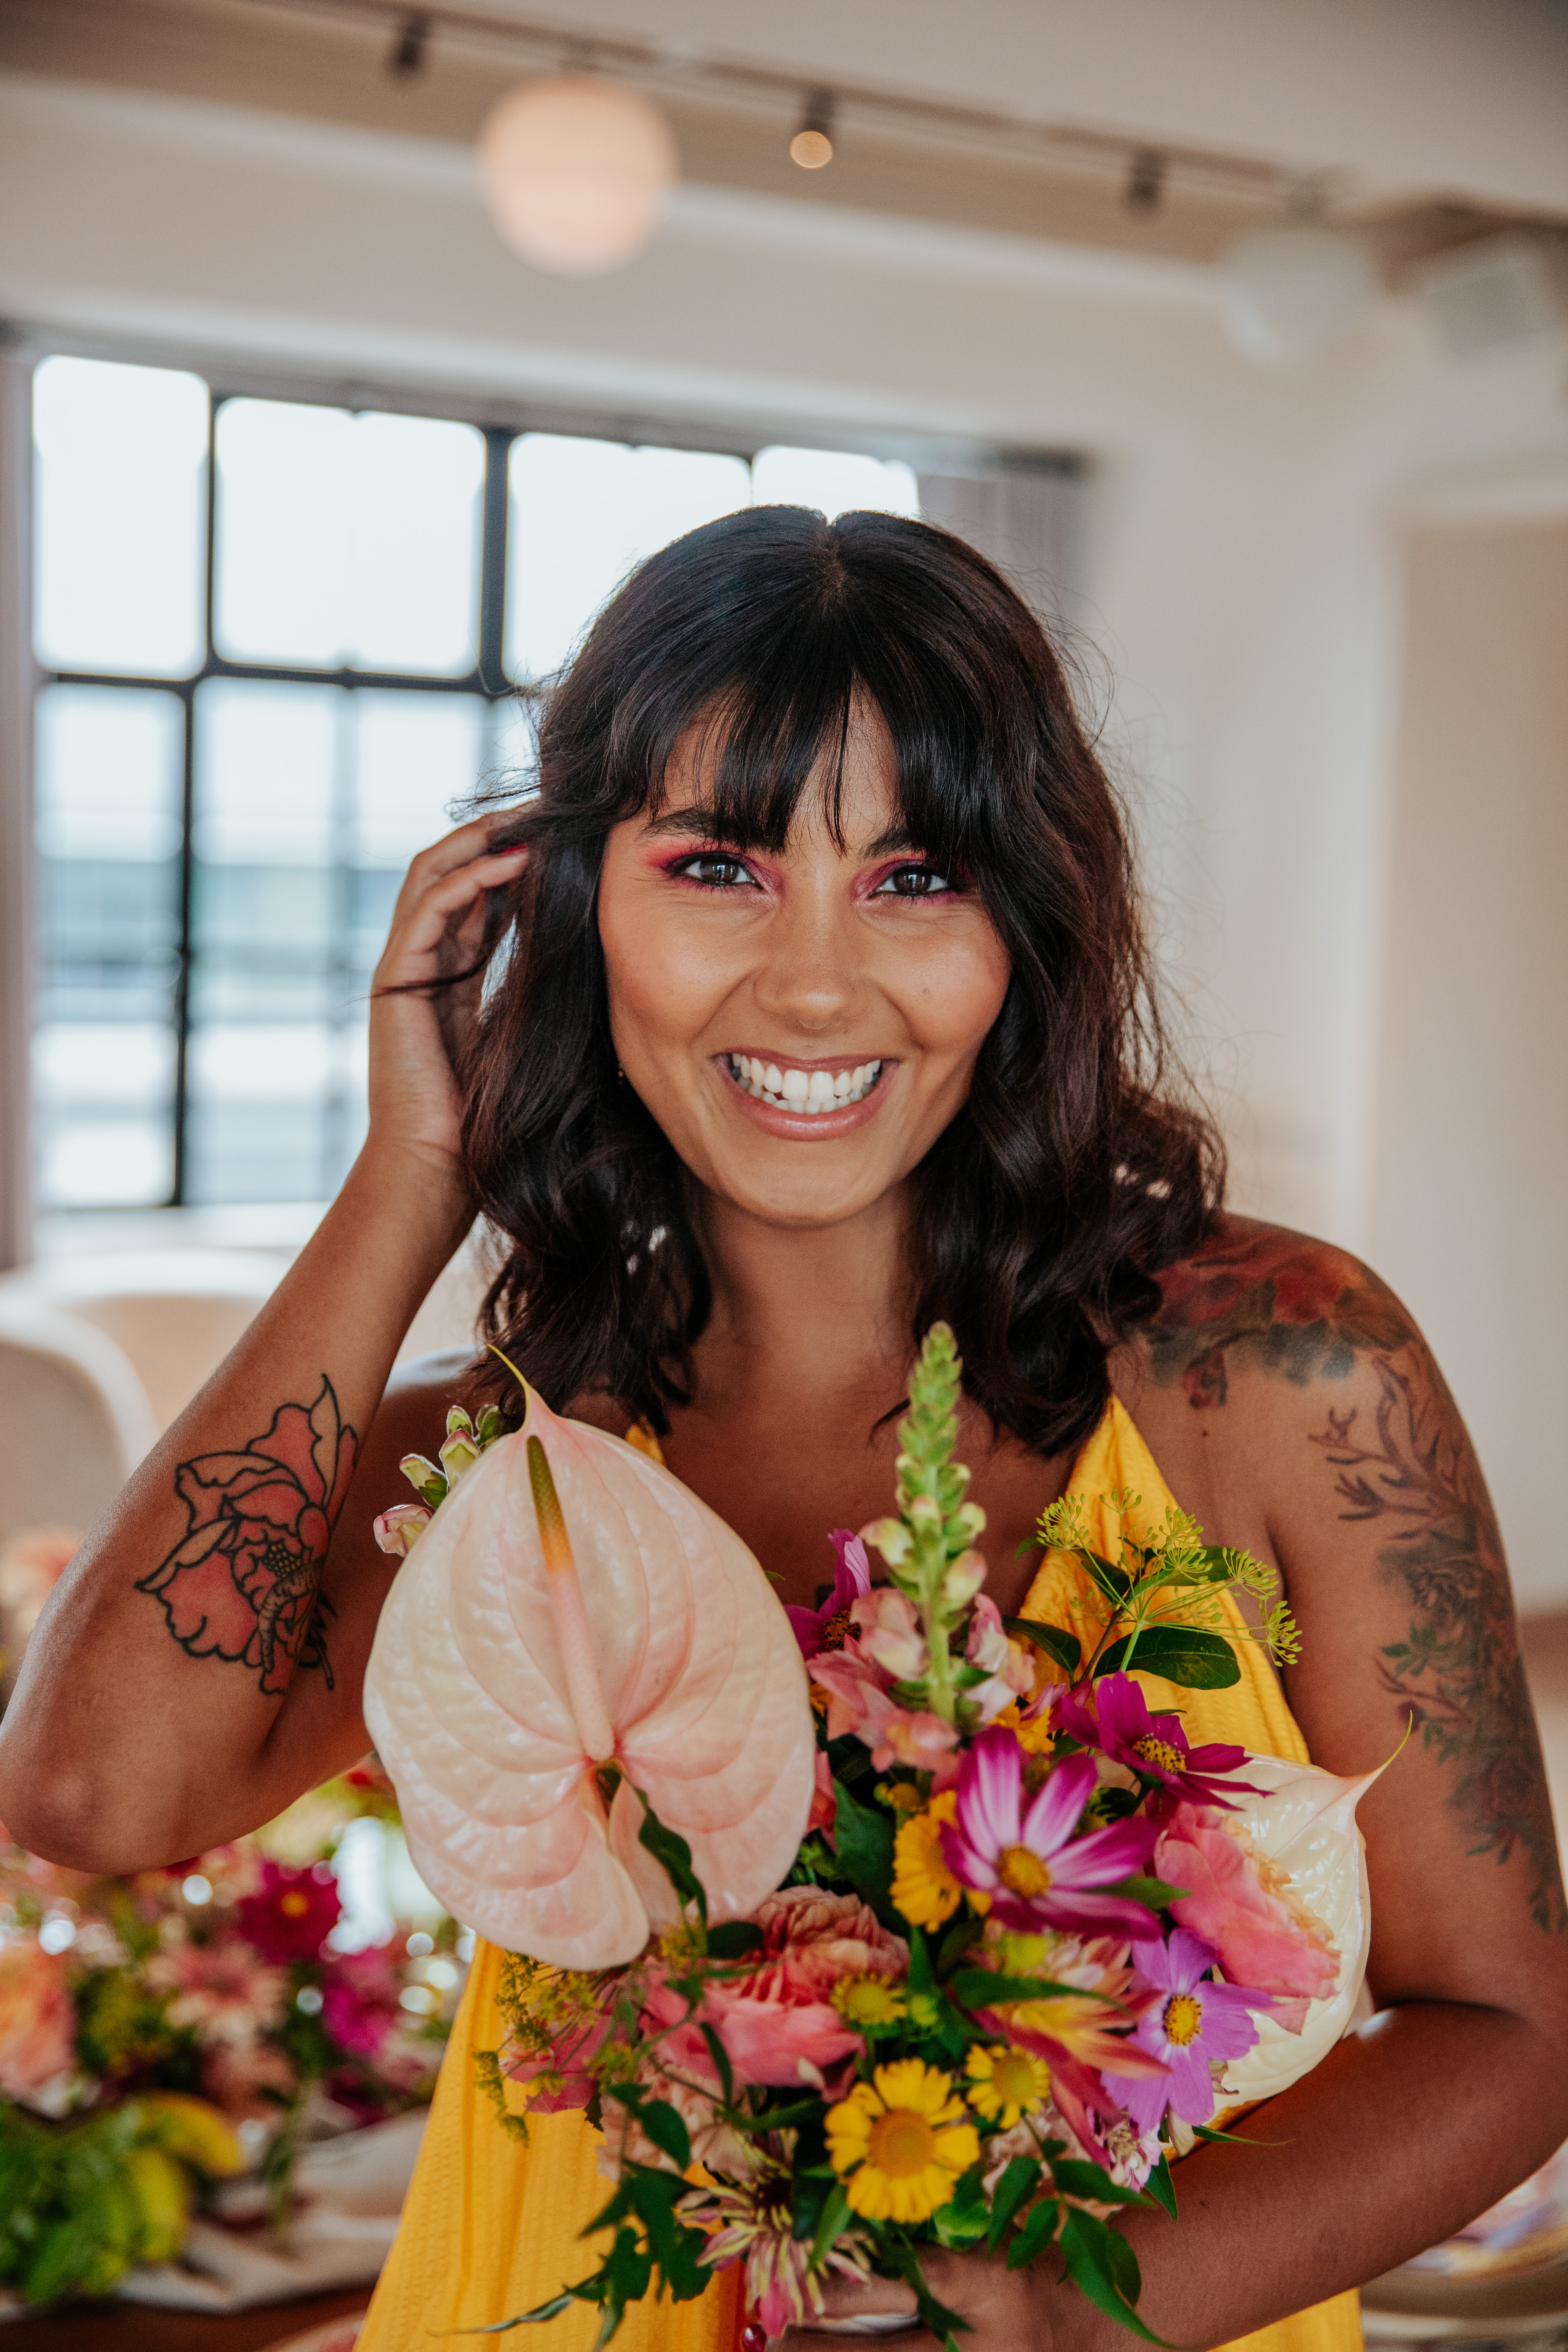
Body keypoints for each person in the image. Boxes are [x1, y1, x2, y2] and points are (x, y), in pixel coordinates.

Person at [4, 508, 1566, 2352]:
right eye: (720, 866)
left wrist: (1070, 2313)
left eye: (916, 879)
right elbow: (91, 1795)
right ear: (575, 903)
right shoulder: (493, 1474)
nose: (817, 986)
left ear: (1029, 920)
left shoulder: (1280, 1368)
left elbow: (1510, 2031)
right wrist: (414, 1171)